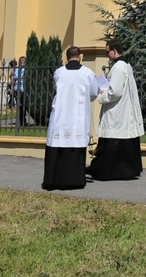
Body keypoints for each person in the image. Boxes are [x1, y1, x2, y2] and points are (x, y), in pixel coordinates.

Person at [41, 46, 99, 191]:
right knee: (75, 145)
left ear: (66, 57)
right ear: (80, 56)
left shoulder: (59, 72)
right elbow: (93, 93)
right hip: (78, 116)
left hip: (60, 115)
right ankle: (75, 180)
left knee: (58, 145)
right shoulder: (88, 73)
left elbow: (56, 87)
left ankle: (53, 180)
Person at [87, 39, 143, 181]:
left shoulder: (118, 67)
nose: (106, 54)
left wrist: (102, 94)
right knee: (123, 143)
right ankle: (126, 170)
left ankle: (106, 170)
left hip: (117, 112)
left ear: (114, 51)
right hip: (123, 110)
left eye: (107, 52)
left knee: (113, 141)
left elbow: (115, 91)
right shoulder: (126, 65)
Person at [11, 56, 28, 125]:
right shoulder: (17, 70)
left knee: (24, 105)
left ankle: (23, 120)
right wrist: (11, 88)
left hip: (24, 89)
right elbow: (14, 79)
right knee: (19, 105)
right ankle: (21, 121)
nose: (22, 62)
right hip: (17, 89)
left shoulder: (27, 69)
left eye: (23, 60)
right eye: (21, 61)